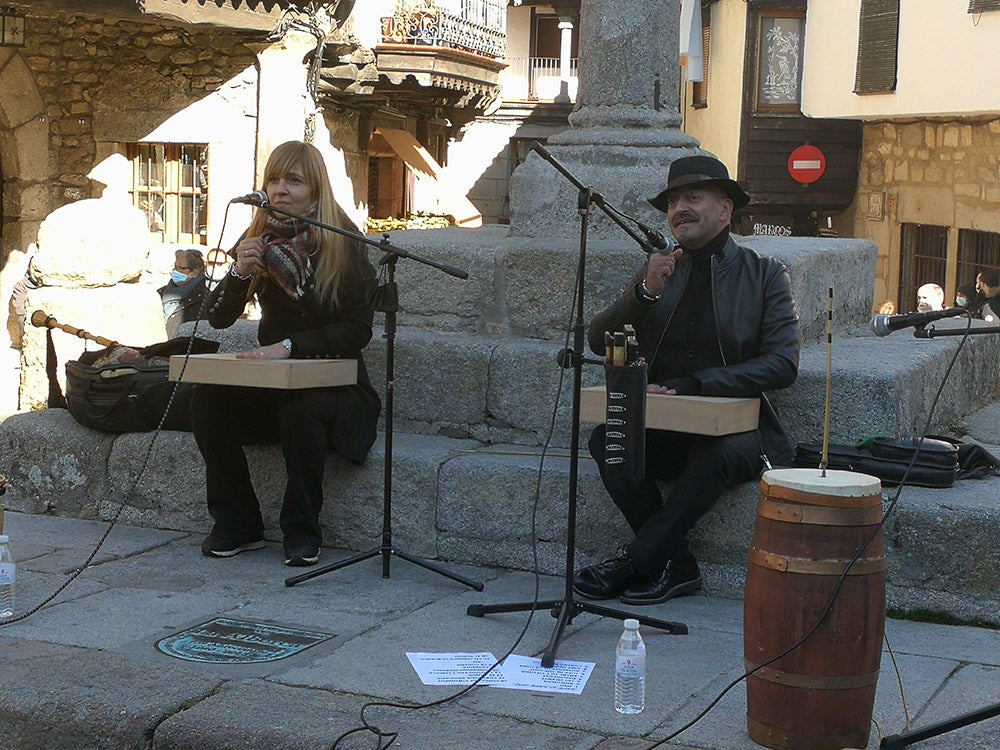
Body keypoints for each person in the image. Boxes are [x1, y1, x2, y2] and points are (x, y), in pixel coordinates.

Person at [573, 154, 800, 605]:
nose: (680, 209)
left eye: (693, 197)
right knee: (608, 440)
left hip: (739, 432)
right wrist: (643, 294)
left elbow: (782, 365)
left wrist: (698, 384)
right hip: (664, 424)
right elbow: (599, 340)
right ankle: (675, 562)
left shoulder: (765, 275)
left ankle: (636, 560)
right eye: (674, 200)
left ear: (725, 209)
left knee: (714, 453)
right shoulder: (657, 270)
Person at [190, 140, 381, 567]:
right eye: (273, 179)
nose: (279, 190)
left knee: (301, 407)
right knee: (206, 401)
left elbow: (357, 330)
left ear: (315, 189)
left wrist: (291, 347)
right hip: (274, 382)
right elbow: (218, 319)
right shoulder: (259, 232)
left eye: (292, 181)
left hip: (335, 386)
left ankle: (301, 530)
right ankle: (238, 523)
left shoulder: (342, 239)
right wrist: (239, 273)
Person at [159, 248, 207, 336]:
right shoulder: (161, 293)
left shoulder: (204, 299)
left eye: (181, 268)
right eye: (175, 267)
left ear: (194, 272)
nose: (176, 271)